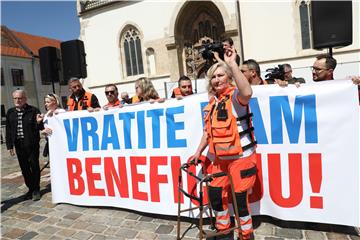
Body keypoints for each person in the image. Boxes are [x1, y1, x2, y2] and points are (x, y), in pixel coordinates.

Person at [191, 46, 257, 240]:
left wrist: (232, 64)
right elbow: (207, 132)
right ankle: (224, 233)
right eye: (213, 77)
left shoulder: (237, 97)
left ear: (228, 77)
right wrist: (198, 152)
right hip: (219, 159)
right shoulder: (212, 102)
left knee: (239, 201)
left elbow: (248, 91)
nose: (217, 80)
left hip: (241, 158)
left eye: (221, 76)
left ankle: (246, 235)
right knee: (215, 196)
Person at [6, 90, 43, 201]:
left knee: (34, 166)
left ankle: (36, 189)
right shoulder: (10, 112)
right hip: (19, 145)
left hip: (31, 144)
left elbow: (39, 128)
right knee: (25, 168)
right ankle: (30, 188)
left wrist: (38, 122)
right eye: (15, 98)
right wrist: (9, 146)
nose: (17, 100)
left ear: (25, 98)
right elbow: (8, 130)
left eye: (20, 98)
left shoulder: (33, 110)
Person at [37, 93, 66, 158]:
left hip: (60, 144)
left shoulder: (61, 112)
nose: (45, 104)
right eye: (45, 102)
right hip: (50, 143)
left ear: (55, 102)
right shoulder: (47, 114)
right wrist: (40, 125)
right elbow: (44, 128)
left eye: (48, 102)